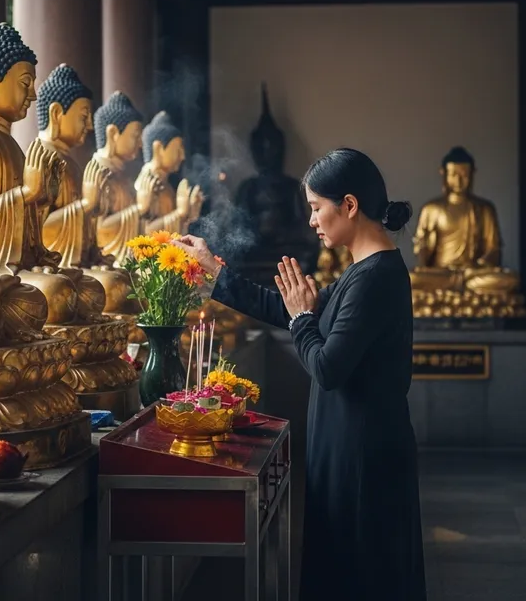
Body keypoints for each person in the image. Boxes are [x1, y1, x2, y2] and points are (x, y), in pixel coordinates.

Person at [176, 148, 426, 601]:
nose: (310, 220)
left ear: (348, 205)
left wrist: (301, 321)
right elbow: (285, 306)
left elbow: (327, 367)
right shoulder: (362, 273)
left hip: (364, 456)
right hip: (348, 445)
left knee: (362, 576)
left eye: (316, 208)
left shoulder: (376, 279)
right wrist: (213, 272)